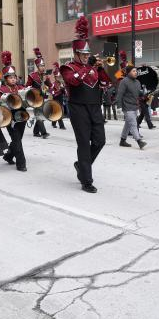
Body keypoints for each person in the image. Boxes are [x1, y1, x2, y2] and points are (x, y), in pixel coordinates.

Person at [61, 15, 109, 193]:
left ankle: (81, 166)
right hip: (78, 108)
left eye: (88, 54)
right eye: (83, 54)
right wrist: (88, 67)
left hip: (95, 107)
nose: (86, 57)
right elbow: (73, 81)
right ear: (76, 54)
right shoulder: (67, 68)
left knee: (100, 141)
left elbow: (106, 83)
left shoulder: (93, 68)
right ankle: (86, 180)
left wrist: (100, 68)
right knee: (83, 144)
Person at [0, 51, 28, 171]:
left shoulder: (21, 87)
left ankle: (8, 156)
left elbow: (29, 94)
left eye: (14, 77)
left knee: (17, 139)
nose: (13, 79)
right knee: (17, 139)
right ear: (6, 79)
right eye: (11, 78)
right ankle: (21, 164)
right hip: (9, 117)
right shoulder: (1, 89)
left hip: (22, 116)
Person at [116, 64, 146, 149]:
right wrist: (119, 106)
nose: (136, 72)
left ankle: (122, 140)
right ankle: (139, 141)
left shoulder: (138, 82)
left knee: (128, 124)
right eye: (133, 71)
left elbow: (138, 93)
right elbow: (120, 95)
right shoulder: (124, 81)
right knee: (133, 123)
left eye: (136, 71)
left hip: (135, 106)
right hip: (127, 106)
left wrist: (144, 93)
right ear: (128, 72)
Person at [28, 48, 51, 139]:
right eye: (41, 66)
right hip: (35, 98)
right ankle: (44, 133)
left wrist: (47, 79)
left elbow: (50, 86)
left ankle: (36, 131)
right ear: (37, 66)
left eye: (43, 65)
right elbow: (27, 86)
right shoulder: (32, 76)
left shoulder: (45, 75)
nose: (43, 67)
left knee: (42, 115)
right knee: (39, 115)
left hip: (44, 97)